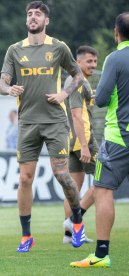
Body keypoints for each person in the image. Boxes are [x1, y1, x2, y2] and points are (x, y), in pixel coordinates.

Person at [0, 1, 86, 252]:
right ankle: (26, 236)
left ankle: (77, 221)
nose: (33, 17)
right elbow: (3, 84)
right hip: (26, 122)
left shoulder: (58, 47)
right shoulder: (14, 50)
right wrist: (9, 89)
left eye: (38, 14)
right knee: (25, 179)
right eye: (29, 14)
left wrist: (64, 94)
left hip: (55, 121)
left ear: (46, 21)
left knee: (61, 175)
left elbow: (77, 75)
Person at [71, 12, 129, 268]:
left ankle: (101, 255)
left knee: (103, 191)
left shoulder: (116, 58)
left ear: (116, 34)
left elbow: (102, 99)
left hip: (119, 137)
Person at [62, 46, 99, 244]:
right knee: (104, 180)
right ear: (78, 63)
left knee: (73, 187)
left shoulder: (73, 81)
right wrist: (85, 146)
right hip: (83, 139)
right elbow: (77, 115)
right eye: (89, 61)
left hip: (70, 140)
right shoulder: (77, 81)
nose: (93, 65)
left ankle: (69, 235)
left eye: (94, 61)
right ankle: (73, 221)